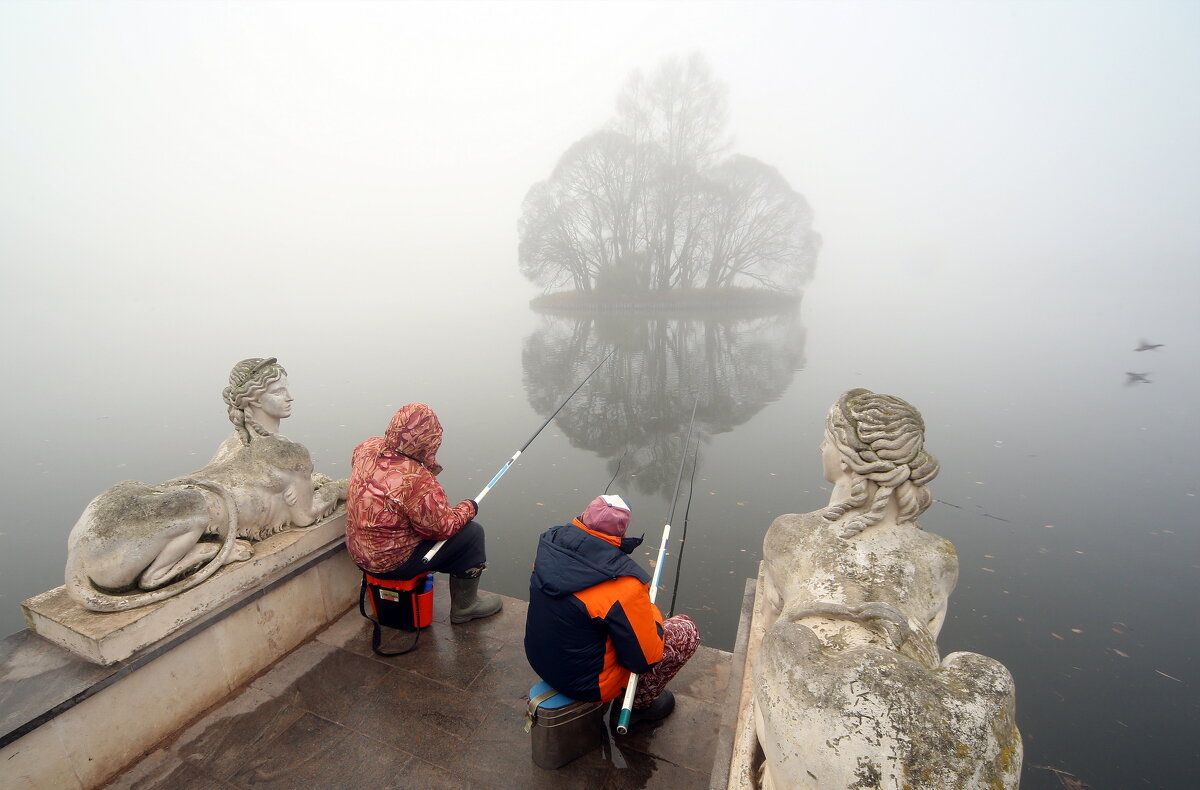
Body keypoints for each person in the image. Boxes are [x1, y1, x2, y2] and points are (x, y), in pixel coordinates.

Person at [524, 494, 699, 731]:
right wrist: (650, 613)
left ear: (584, 516)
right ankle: (638, 704)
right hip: (589, 685)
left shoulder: (547, 547)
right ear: (621, 533)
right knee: (685, 630)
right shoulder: (626, 585)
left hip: (539, 660)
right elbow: (644, 659)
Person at [345, 402, 502, 623]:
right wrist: (469, 507)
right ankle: (465, 607)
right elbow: (442, 529)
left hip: (358, 555)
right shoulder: (417, 481)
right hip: (392, 565)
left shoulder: (367, 449)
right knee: (472, 533)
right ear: (431, 440)